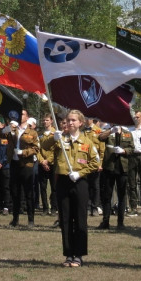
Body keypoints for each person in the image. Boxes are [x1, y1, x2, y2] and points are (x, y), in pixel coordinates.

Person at [43, 109, 99, 267]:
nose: (69, 123)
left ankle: (79, 255)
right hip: (63, 181)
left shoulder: (87, 141)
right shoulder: (60, 138)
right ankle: (68, 254)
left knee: (80, 219)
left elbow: (95, 162)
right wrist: (52, 138)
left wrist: (81, 173)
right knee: (65, 219)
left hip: (80, 182)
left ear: (80, 123)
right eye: (68, 120)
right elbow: (43, 147)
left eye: (73, 120)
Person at [97, 123, 134, 230]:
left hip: (123, 168)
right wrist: (111, 131)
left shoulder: (127, 133)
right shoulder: (108, 131)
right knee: (107, 195)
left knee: (122, 195)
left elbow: (132, 148)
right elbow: (100, 138)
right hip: (109, 167)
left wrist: (124, 151)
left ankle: (120, 222)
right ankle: (105, 221)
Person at [7, 110, 39, 228]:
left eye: (23, 114)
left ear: (28, 117)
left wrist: (23, 152)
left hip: (27, 164)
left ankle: (31, 220)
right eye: (19, 114)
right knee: (15, 192)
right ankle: (15, 219)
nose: (21, 116)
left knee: (29, 192)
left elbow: (36, 148)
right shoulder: (13, 129)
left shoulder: (32, 132)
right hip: (14, 163)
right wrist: (8, 128)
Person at [37, 115, 58, 216]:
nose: (45, 122)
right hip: (41, 164)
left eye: (47, 120)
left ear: (51, 121)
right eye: (43, 120)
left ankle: (54, 207)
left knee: (54, 187)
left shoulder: (55, 133)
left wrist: (48, 161)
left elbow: (56, 149)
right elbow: (37, 149)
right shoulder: (40, 134)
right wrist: (42, 161)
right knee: (42, 187)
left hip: (52, 164)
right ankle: (45, 208)